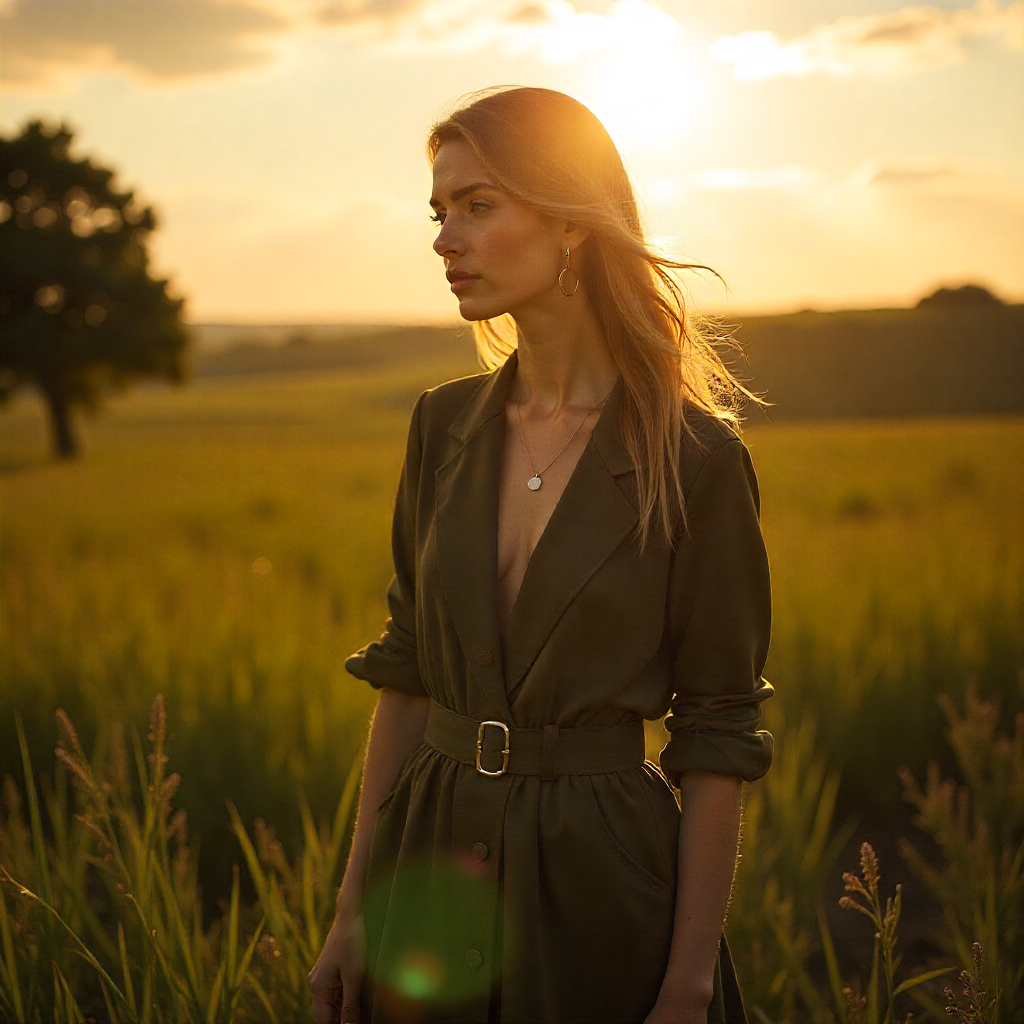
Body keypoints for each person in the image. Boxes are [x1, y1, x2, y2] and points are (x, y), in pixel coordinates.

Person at [307, 86, 773, 1024]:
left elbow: (717, 730)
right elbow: (407, 679)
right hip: (427, 871)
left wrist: (685, 984)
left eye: (479, 207)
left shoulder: (697, 461)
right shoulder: (441, 425)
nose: (445, 239)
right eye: (440, 213)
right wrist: (352, 910)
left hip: (601, 886)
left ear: (570, 223)